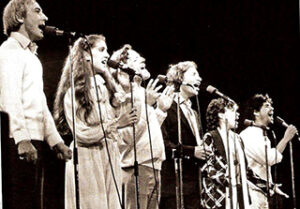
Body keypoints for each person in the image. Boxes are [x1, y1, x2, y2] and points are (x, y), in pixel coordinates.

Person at [0, 0, 72, 208]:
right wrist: (21, 139)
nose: (45, 18)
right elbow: (9, 97)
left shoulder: (30, 56)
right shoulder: (9, 50)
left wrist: (55, 140)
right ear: (20, 17)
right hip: (18, 140)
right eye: (38, 11)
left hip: (34, 139)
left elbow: (39, 103)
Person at [53, 35, 136, 209]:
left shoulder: (105, 89)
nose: (107, 54)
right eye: (101, 50)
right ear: (86, 54)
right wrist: (116, 124)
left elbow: (117, 133)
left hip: (108, 157)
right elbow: (83, 134)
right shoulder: (74, 92)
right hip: (87, 160)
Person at [110, 44, 175, 209]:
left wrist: (160, 110)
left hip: (152, 165)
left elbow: (148, 132)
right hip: (136, 168)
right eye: (135, 58)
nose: (142, 59)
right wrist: (147, 105)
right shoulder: (124, 96)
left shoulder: (140, 93)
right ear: (123, 68)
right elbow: (128, 138)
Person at [159, 61, 208, 209]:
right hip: (174, 185)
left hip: (194, 185)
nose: (199, 79)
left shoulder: (194, 113)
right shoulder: (166, 106)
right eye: (193, 74)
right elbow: (164, 144)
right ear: (179, 78)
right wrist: (192, 152)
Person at [240, 94, 298, 209]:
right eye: (267, 106)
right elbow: (269, 159)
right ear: (256, 112)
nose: (272, 109)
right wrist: (286, 139)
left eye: (271, 106)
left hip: (260, 195)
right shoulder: (249, 134)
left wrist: (271, 186)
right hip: (251, 197)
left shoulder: (261, 134)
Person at [201, 98, 250, 209]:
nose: (238, 115)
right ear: (221, 115)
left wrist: (268, 185)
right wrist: (227, 179)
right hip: (219, 197)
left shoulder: (238, 139)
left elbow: (245, 170)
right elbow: (206, 167)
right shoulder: (211, 137)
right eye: (233, 111)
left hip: (238, 197)